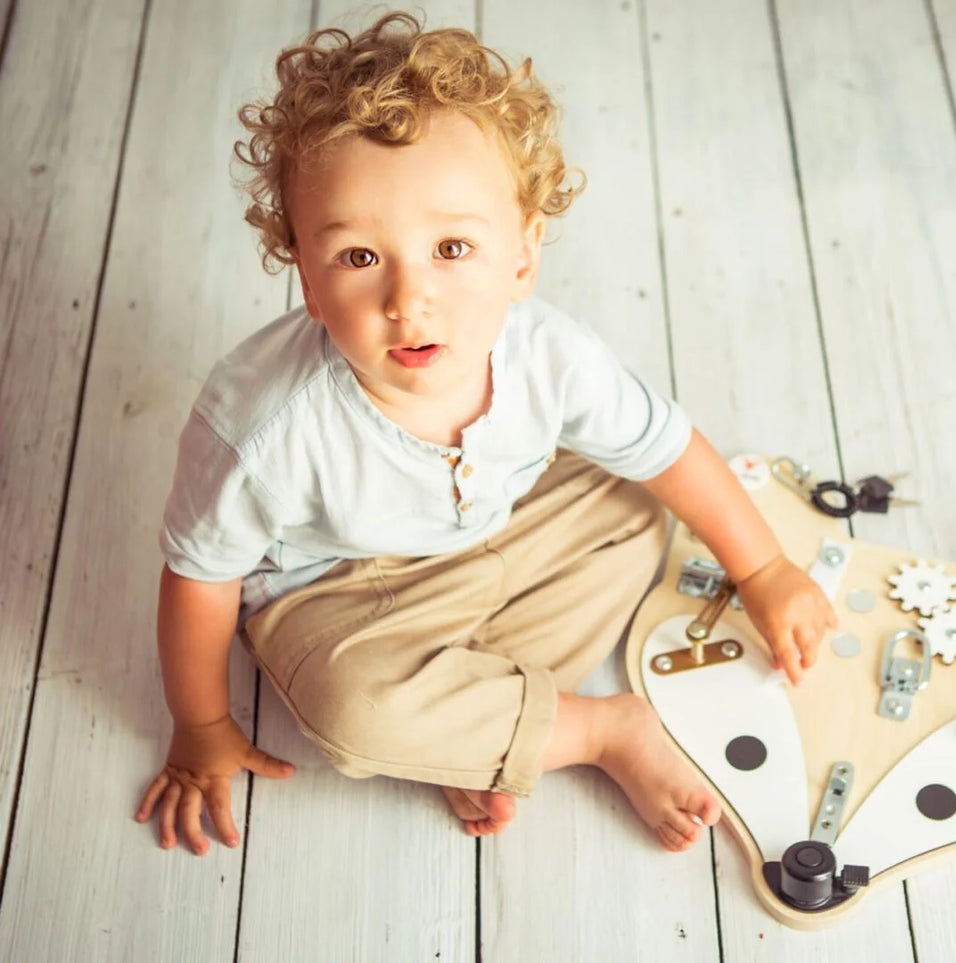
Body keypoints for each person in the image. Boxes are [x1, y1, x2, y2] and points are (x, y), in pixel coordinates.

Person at [133, 11, 836, 857]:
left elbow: (667, 449)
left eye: (452, 247)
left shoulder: (551, 355)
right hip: (336, 592)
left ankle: (480, 728)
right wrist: (201, 723)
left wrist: (761, 568)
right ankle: (594, 730)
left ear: (522, 256)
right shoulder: (262, 428)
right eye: (359, 258)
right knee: (352, 710)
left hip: (496, 533)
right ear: (308, 284)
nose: (409, 298)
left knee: (637, 511)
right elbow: (199, 580)